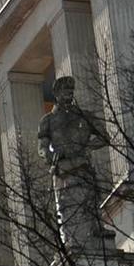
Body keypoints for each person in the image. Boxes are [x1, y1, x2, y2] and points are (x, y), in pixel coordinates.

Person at [39, 76, 110, 251]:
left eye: (71, 91)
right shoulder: (48, 120)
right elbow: (42, 147)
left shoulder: (85, 116)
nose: (69, 94)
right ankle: (72, 241)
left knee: (89, 201)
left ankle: (97, 229)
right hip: (63, 170)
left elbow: (104, 137)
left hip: (83, 167)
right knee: (67, 207)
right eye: (65, 91)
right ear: (56, 94)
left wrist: (86, 147)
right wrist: (51, 156)